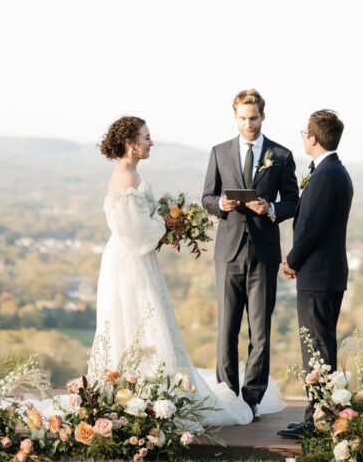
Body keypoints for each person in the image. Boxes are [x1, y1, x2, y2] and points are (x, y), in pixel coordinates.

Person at [88, 114, 272, 426]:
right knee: (136, 320)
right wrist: (164, 223)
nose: (151, 142)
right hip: (128, 262)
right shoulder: (125, 177)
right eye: (146, 137)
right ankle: (133, 393)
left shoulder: (131, 173)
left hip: (135, 258)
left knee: (147, 321)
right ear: (131, 144)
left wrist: (166, 224)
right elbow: (134, 232)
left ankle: (144, 392)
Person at [202, 89, 299, 419]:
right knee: (226, 329)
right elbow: (207, 197)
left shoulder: (281, 155)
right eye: (243, 118)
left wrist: (270, 207)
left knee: (260, 331)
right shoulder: (219, 152)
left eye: (253, 118)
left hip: (264, 254)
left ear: (263, 116)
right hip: (228, 254)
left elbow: (292, 202)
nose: (249, 124)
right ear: (235, 117)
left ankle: (253, 397)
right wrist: (221, 205)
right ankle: (227, 394)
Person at [278, 109, 354, 439]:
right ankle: (319, 414)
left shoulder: (327, 175)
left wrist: (291, 260)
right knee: (318, 349)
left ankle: (318, 421)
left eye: (304, 133)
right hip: (323, 275)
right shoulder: (331, 171)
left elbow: (312, 227)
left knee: (317, 351)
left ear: (313, 138)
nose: (303, 138)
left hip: (320, 276)